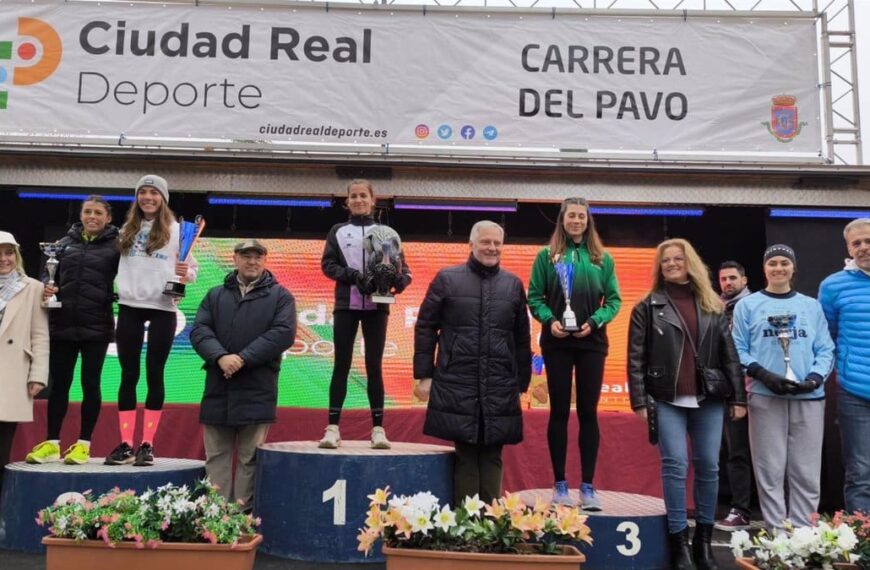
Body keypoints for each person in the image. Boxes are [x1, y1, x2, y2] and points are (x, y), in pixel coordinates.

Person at [628, 238, 745, 570]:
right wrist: (639, 399)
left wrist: (738, 396)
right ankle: (678, 543)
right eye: (666, 261)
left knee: (709, 466)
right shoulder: (647, 306)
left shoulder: (712, 305)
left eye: (678, 259)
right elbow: (635, 358)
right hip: (665, 398)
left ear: (690, 262)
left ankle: (703, 543)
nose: (672, 264)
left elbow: (730, 356)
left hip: (708, 398)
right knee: (675, 465)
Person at [413, 221, 531, 505]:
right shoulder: (446, 279)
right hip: (458, 381)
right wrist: (424, 375)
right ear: (472, 244)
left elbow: (522, 339)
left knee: (493, 453)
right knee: (465, 453)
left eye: (497, 243)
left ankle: (490, 525)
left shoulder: (513, 285)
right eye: (486, 242)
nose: (492, 248)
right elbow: (425, 327)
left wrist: (521, 383)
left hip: (500, 382)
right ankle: (466, 527)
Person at [732, 244, 835, 530]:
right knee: (769, 469)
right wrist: (763, 374)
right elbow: (737, 347)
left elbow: (825, 348)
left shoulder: (810, 305)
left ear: (793, 267)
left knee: (806, 471)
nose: (779, 268)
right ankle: (777, 534)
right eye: (773, 263)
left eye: (784, 263)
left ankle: (804, 535)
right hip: (765, 396)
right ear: (764, 268)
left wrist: (814, 378)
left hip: (809, 397)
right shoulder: (747, 305)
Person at [527, 197, 621, 510]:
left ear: (588, 220)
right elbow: (534, 296)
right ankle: (560, 485)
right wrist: (549, 320)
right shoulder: (547, 256)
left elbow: (614, 301)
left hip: (591, 342)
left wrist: (595, 321)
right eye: (571, 216)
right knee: (558, 412)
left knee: (588, 412)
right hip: (556, 342)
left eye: (581, 216)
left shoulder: (602, 258)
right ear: (562, 220)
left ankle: (588, 487)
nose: (576, 221)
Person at [190, 239, 296, 511]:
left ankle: (239, 516)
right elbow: (200, 331)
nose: (252, 261)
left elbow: (283, 333)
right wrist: (221, 357)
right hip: (218, 389)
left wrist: (242, 359)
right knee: (216, 457)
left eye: (257, 257)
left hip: (257, 389)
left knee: (250, 458)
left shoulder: (281, 296)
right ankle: (216, 517)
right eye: (246, 256)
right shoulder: (214, 295)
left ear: (264, 260)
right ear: (235, 259)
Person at [105, 175, 196, 467]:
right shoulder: (125, 231)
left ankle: (147, 444)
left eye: (154, 193)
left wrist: (184, 271)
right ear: (137, 198)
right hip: (130, 306)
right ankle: (126, 443)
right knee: (128, 375)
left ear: (163, 198)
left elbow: (190, 272)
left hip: (162, 308)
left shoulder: (178, 231)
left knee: (154, 374)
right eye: (143, 192)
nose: (148, 197)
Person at [25, 196, 120, 466]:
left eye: (98, 213)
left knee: (90, 385)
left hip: (97, 327)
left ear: (108, 218)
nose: (92, 216)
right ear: (81, 215)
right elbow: (46, 275)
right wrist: (47, 285)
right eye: (87, 211)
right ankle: (52, 444)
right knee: (59, 385)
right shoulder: (62, 245)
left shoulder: (117, 247)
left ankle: (83, 445)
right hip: (62, 325)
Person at [319, 179, 411, 450]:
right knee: (341, 365)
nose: (359, 200)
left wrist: (398, 280)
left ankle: (378, 430)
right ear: (347, 202)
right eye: (353, 196)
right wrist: (353, 276)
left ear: (373, 200)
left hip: (377, 306)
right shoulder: (338, 231)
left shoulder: (387, 232)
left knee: (374, 366)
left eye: (364, 195)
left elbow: (403, 269)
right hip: (346, 305)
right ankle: (333, 428)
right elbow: (328, 265)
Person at [818, 219, 870, 514]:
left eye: (868, 241)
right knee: (860, 470)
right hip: (854, 392)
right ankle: (863, 546)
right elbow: (827, 335)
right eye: (856, 243)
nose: (863, 247)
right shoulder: (833, 286)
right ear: (849, 248)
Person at [0, 231, 48, 498]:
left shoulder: (33, 287)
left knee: (1, 453)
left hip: (11, 375)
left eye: (8, 253)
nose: (4, 259)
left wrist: (38, 374)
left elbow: (40, 334)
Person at [714, 261, 755, 531]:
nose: (728, 283)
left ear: (744, 279)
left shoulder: (756, 305)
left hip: (753, 388)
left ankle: (744, 509)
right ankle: (732, 507)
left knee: (745, 452)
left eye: (732, 278)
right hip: (721, 389)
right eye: (723, 279)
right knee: (726, 452)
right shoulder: (714, 307)